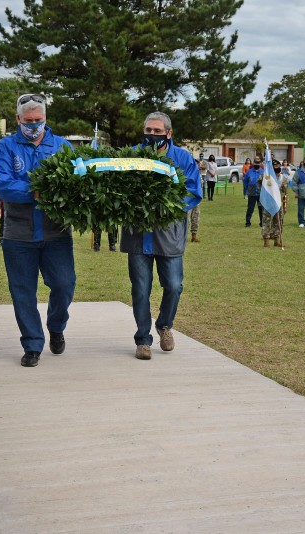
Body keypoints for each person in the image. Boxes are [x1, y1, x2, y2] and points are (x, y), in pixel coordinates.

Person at [0, 94, 75, 367]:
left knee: (64, 284)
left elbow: (76, 182)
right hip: (18, 233)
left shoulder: (62, 147)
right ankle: (32, 344)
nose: (34, 126)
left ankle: (56, 326)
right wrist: (35, 192)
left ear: (46, 119)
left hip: (56, 233)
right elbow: (1, 184)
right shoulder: (6, 147)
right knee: (23, 291)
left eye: (39, 121)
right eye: (28, 121)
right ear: (18, 120)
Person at [121, 111, 202, 361]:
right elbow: (117, 185)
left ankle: (165, 325)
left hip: (169, 234)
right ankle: (143, 340)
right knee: (140, 290)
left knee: (174, 286)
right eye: (148, 130)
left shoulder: (182, 158)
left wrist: (166, 205)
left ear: (169, 133)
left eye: (157, 131)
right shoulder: (132, 155)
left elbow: (193, 190)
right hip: (138, 234)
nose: (152, 135)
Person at [261, 160, 288, 248]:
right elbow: (260, 186)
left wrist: (285, 205)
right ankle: (266, 240)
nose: (277, 168)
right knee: (267, 221)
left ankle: (277, 240)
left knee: (278, 221)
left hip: (278, 202)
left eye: (278, 166)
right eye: (275, 166)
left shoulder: (283, 178)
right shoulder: (266, 177)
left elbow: (285, 193)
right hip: (268, 202)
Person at [243, 156, 264, 227]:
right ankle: (248, 222)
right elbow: (245, 181)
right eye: (255, 162)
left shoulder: (263, 172)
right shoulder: (249, 172)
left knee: (261, 209)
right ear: (253, 163)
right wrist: (247, 189)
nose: (257, 164)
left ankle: (262, 222)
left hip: (261, 193)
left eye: (258, 163)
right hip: (251, 193)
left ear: (260, 163)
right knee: (250, 208)